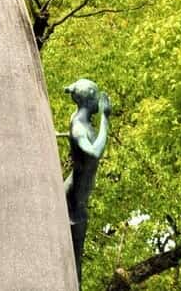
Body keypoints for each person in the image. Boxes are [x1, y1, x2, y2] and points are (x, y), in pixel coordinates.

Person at [62, 78, 110, 285]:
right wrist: (106, 119)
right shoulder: (80, 127)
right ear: (89, 101)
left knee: (74, 259)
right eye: (96, 95)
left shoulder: (80, 120)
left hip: (77, 199)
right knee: (74, 261)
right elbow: (94, 152)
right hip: (74, 202)